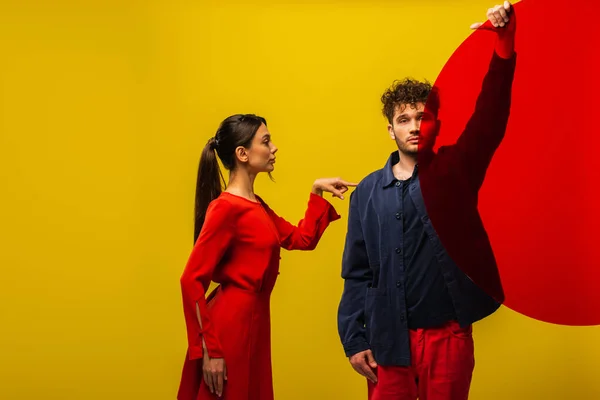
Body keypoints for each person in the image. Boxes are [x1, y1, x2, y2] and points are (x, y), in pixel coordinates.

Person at [337, 2, 517, 399]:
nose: (414, 127)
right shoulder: (367, 192)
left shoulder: (455, 170)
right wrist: (354, 338)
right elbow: (358, 271)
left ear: (435, 123)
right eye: (404, 119)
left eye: (423, 117)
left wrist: (504, 43)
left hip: (446, 337)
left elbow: (490, 117)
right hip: (387, 343)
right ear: (390, 129)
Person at [178, 114, 355, 400]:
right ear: (242, 154)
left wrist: (317, 191)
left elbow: (301, 239)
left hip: (257, 322)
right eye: (266, 141)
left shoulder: (256, 205)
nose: (274, 148)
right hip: (230, 328)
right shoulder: (225, 208)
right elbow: (191, 281)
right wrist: (210, 350)